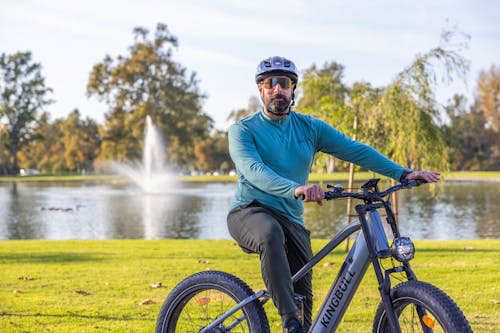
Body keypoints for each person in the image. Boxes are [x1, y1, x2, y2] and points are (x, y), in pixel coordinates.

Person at [226, 56, 440, 333]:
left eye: (285, 83)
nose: (277, 89)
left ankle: (298, 324)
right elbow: (253, 170)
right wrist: (295, 188)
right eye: (270, 83)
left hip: (291, 218)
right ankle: (289, 322)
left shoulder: (310, 128)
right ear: (261, 90)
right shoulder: (242, 130)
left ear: (293, 90)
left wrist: (402, 173)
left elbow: (355, 150)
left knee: (304, 298)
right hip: (249, 211)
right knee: (270, 235)